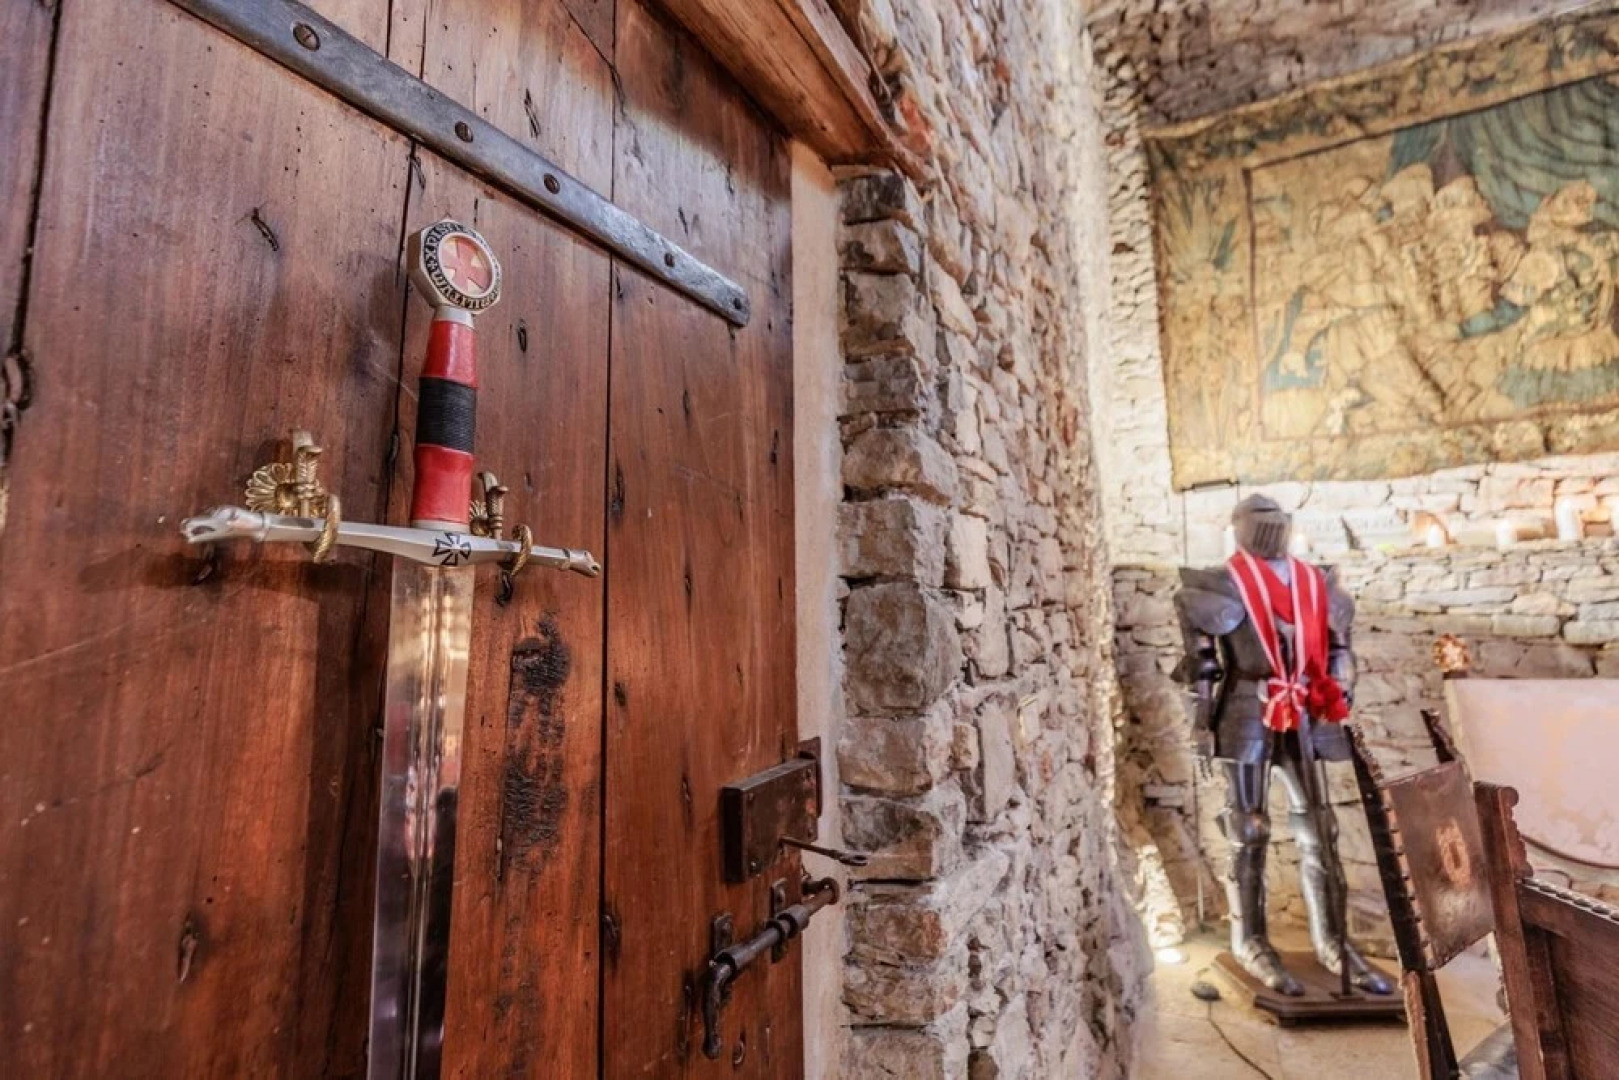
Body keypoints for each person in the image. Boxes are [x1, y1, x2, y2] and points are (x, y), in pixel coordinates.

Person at [1174, 495, 1393, 996]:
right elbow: (1203, 665)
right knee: (1248, 827)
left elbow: (1340, 650)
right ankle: (1251, 939)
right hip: (1247, 705)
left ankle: (1334, 942)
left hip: (1308, 705)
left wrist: (1339, 693)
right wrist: (1203, 725)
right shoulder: (1217, 586)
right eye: (1260, 522)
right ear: (1239, 528)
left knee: (1321, 825)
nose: (1269, 529)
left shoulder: (1317, 583)